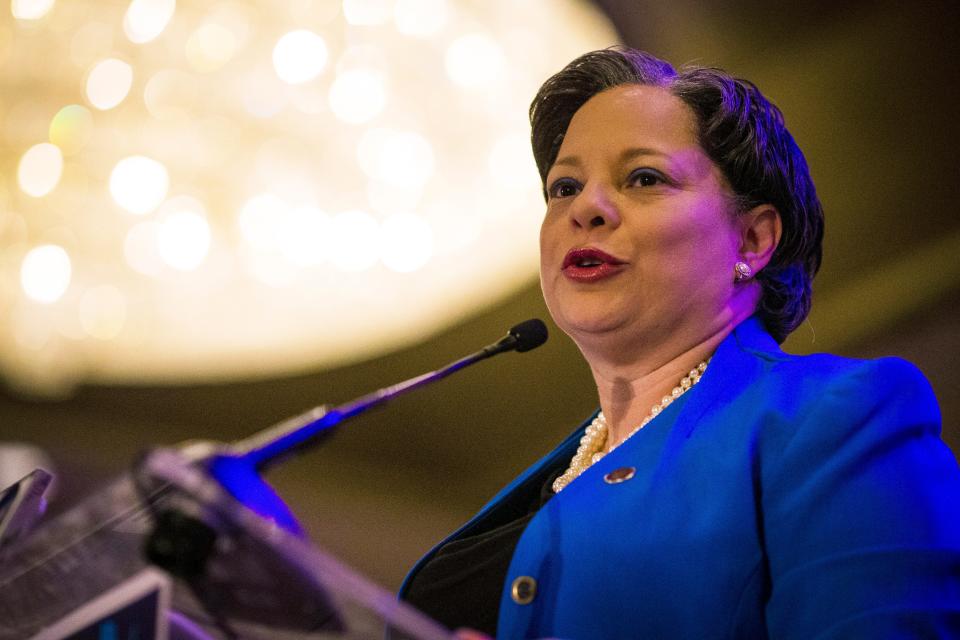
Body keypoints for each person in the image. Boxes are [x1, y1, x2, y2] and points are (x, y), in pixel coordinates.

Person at [399, 47, 960, 638]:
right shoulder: (549, 480)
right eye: (564, 186)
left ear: (751, 240)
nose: (585, 207)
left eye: (644, 177)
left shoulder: (833, 419)